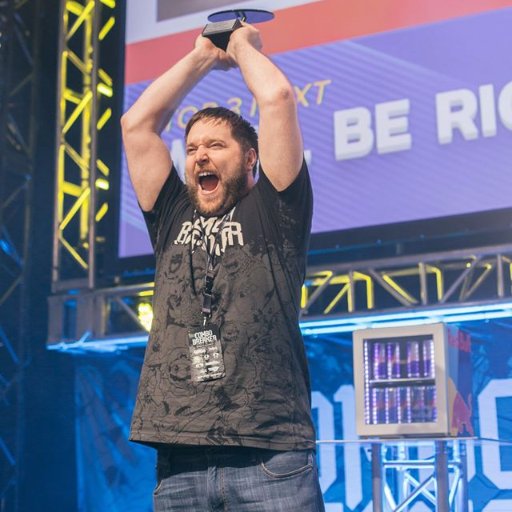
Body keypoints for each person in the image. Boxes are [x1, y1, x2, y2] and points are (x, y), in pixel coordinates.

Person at [121, 21, 324, 512]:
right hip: (180, 460)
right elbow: (136, 125)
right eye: (191, 148)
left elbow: (276, 98)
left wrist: (240, 46)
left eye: (215, 146)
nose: (199, 157)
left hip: (269, 456)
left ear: (250, 156)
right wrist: (200, 57)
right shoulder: (172, 213)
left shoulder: (275, 210)